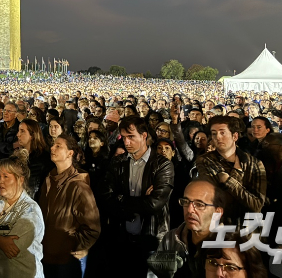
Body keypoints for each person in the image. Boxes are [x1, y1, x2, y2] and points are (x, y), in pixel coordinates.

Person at [100, 115, 174, 275]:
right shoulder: (118, 162)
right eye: (124, 137)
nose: (126, 142)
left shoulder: (162, 165)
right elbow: (106, 198)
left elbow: (155, 204)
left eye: (131, 137)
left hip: (152, 238)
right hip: (122, 238)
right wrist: (143, 200)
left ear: (144, 136)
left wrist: (121, 199)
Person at [0, 153, 45, 278]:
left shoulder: (31, 211)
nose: (1, 181)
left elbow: (11, 251)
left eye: (6, 177)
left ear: (20, 180)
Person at [38, 134, 100, 278]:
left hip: (64, 261)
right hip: (44, 254)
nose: (52, 148)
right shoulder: (49, 180)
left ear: (70, 153)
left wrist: (73, 246)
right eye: (53, 145)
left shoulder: (79, 186)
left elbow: (92, 227)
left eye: (58, 146)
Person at [196, 115, 266, 223]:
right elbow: (213, 199)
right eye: (214, 133)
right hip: (217, 224)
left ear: (235, 136)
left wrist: (228, 181)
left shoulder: (254, 163)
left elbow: (256, 205)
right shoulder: (205, 161)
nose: (218, 137)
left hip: (246, 226)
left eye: (222, 132)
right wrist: (237, 173)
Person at [150, 179, 225, 278]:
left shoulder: (231, 246)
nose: (190, 210)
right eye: (185, 201)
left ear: (218, 212)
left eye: (199, 204)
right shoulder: (172, 239)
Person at [16, 119, 52, 200]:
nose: (18, 134)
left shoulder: (44, 158)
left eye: (22, 131)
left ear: (32, 135)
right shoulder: (17, 156)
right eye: (18, 131)